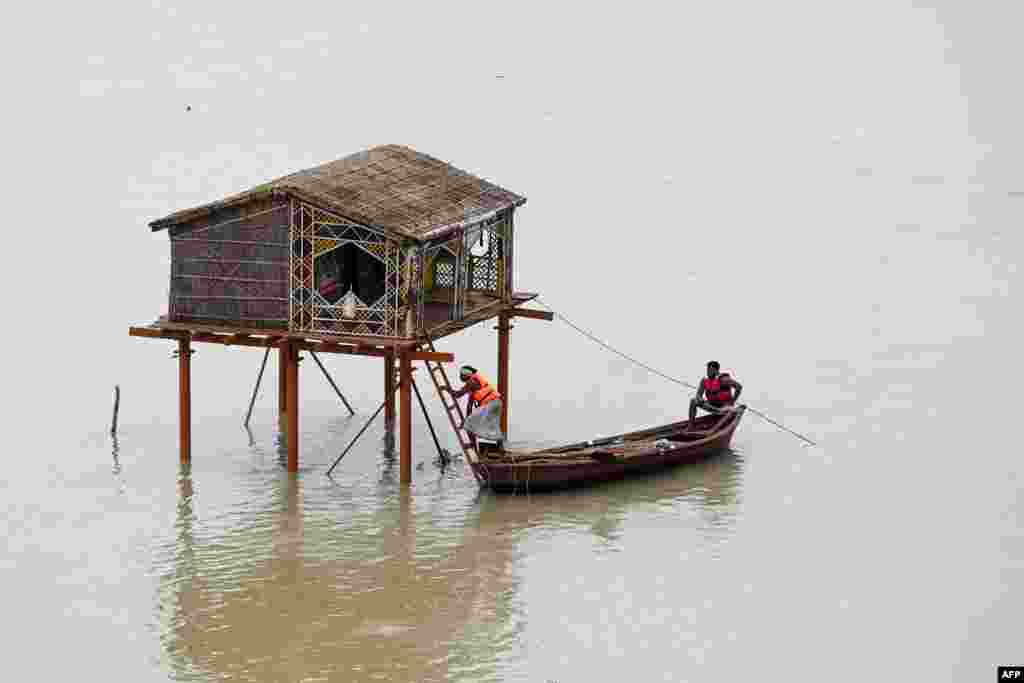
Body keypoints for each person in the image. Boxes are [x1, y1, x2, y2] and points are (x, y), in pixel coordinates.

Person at [444, 365, 505, 446]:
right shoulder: (474, 386)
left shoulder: (471, 383)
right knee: (492, 426)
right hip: (497, 403)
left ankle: (473, 444)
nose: (460, 377)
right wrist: (467, 419)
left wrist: (447, 388)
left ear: (466, 375)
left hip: (490, 405)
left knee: (470, 425)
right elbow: (469, 407)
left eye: (461, 375)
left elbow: (457, 394)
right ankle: (500, 447)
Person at [688, 360, 742, 427]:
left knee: (728, 410)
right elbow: (698, 395)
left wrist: (733, 401)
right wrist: (700, 398)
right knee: (693, 401)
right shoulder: (704, 381)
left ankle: (722, 420)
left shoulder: (724, 379)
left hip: (724, 408)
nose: (708, 372)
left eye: (710, 370)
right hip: (712, 407)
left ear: (715, 370)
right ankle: (691, 425)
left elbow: (739, 387)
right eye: (707, 370)